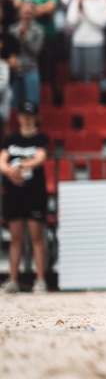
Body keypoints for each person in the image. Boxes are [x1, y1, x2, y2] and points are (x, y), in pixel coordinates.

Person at [0, 101, 50, 293]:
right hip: (14, 192)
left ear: (36, 117)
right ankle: (13, 280)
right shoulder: (10, 138)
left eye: (29, 114)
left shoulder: (41, 138)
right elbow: (2, 160)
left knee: (37, 235)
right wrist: (9, 172)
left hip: (34, 191)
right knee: (16, 237)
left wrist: (20, 166)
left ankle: (40, 279)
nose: (26, 117)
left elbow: (40, 158)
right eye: (23, 114)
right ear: (18, 116)